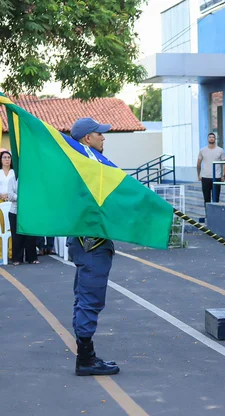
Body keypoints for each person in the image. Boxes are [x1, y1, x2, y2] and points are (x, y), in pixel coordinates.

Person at [68, 117, 119, 376]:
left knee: (84, 298)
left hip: (85, 241)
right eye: (100, 133)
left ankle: (86, 354)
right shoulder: (89, 165)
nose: (103, 137)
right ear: (87, 138)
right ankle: (85, 359)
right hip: (91, 243)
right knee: (89, 298)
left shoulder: (82, 164)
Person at [7, 175, 39, 266]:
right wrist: (21, 197)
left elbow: (34, 193)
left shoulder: (31, 179)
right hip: (15, 211)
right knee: (16, 235)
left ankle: (32, 258)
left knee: (30, 235)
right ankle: (17, 258)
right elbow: (10, 195)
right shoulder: (12, 180)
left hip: (29, 211)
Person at [197, 132, 225, 206]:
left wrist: (224, 175)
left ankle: (215, 216)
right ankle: (207, 215)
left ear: (215, 139)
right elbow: (198, 163)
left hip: (216, 177)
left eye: (212, 137)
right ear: (207, 139)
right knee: (206, 199)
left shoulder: (220, 150)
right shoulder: (202, 150)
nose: (211, 138)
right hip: (205, 177)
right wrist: (198, 175)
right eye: (210, 137)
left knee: (216, 198)